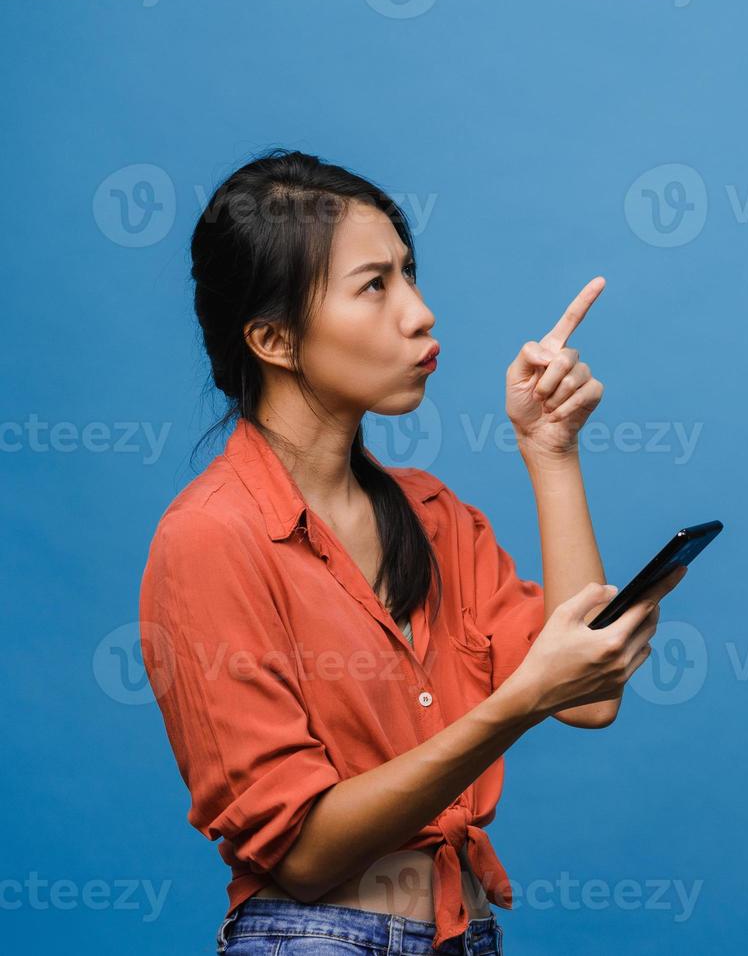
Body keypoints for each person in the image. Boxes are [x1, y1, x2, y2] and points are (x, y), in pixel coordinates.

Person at [136, 149, 686, 955]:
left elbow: (587, 696)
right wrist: (519, 700)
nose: (421, 312)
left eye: (410, 274)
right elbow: (305, 852)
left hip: (465, 935)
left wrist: (551, 450)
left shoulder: (432, 514)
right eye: (375, 285)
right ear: (273, 338)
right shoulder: (210, 538)